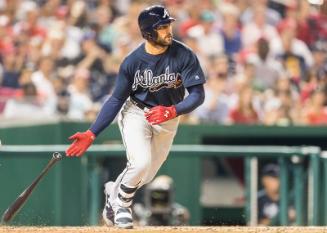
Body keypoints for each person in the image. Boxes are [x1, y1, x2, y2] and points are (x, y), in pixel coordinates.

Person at [65, 5, 205, 229]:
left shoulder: (184, 54)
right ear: (149, 32)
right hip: (137, 113)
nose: (168, 30)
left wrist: (172, 110)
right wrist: (92, 133)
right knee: (140, 163)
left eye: (169, 25)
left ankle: (113, 191)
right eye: (162, 27)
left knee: (145, 176)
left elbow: (198, 95)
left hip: (168, 118)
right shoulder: (132, 61)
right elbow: (115, 99)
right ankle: (121, 205)